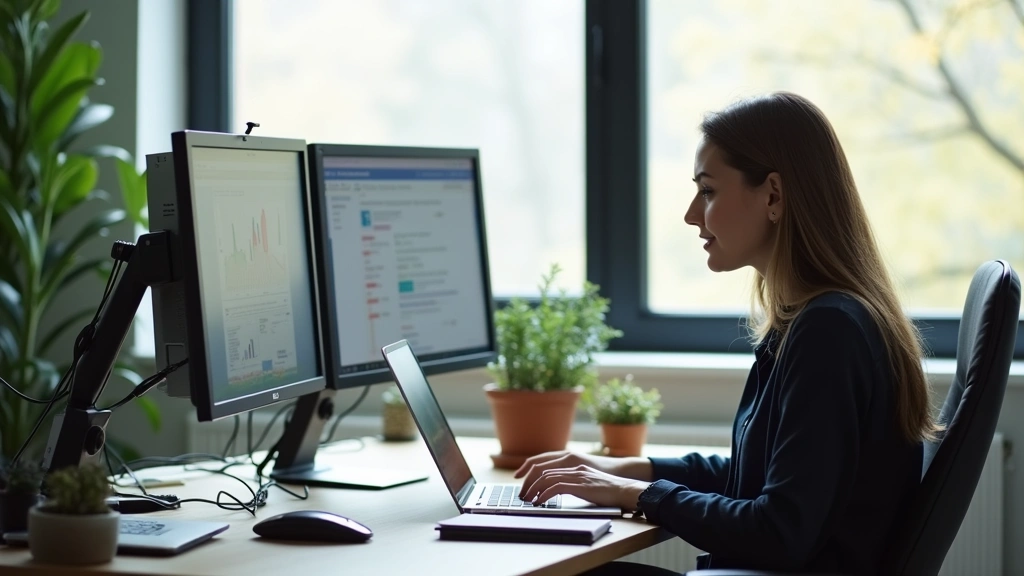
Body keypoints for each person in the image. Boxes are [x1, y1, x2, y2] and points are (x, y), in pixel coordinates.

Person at [515, 92, 936, 575]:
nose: (693, 214)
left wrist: (641, 495)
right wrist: (629, 470)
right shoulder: (814, 319)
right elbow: (757, 478)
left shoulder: (829, 331)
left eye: (708, 191)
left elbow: (781, 529)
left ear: (773, 195)